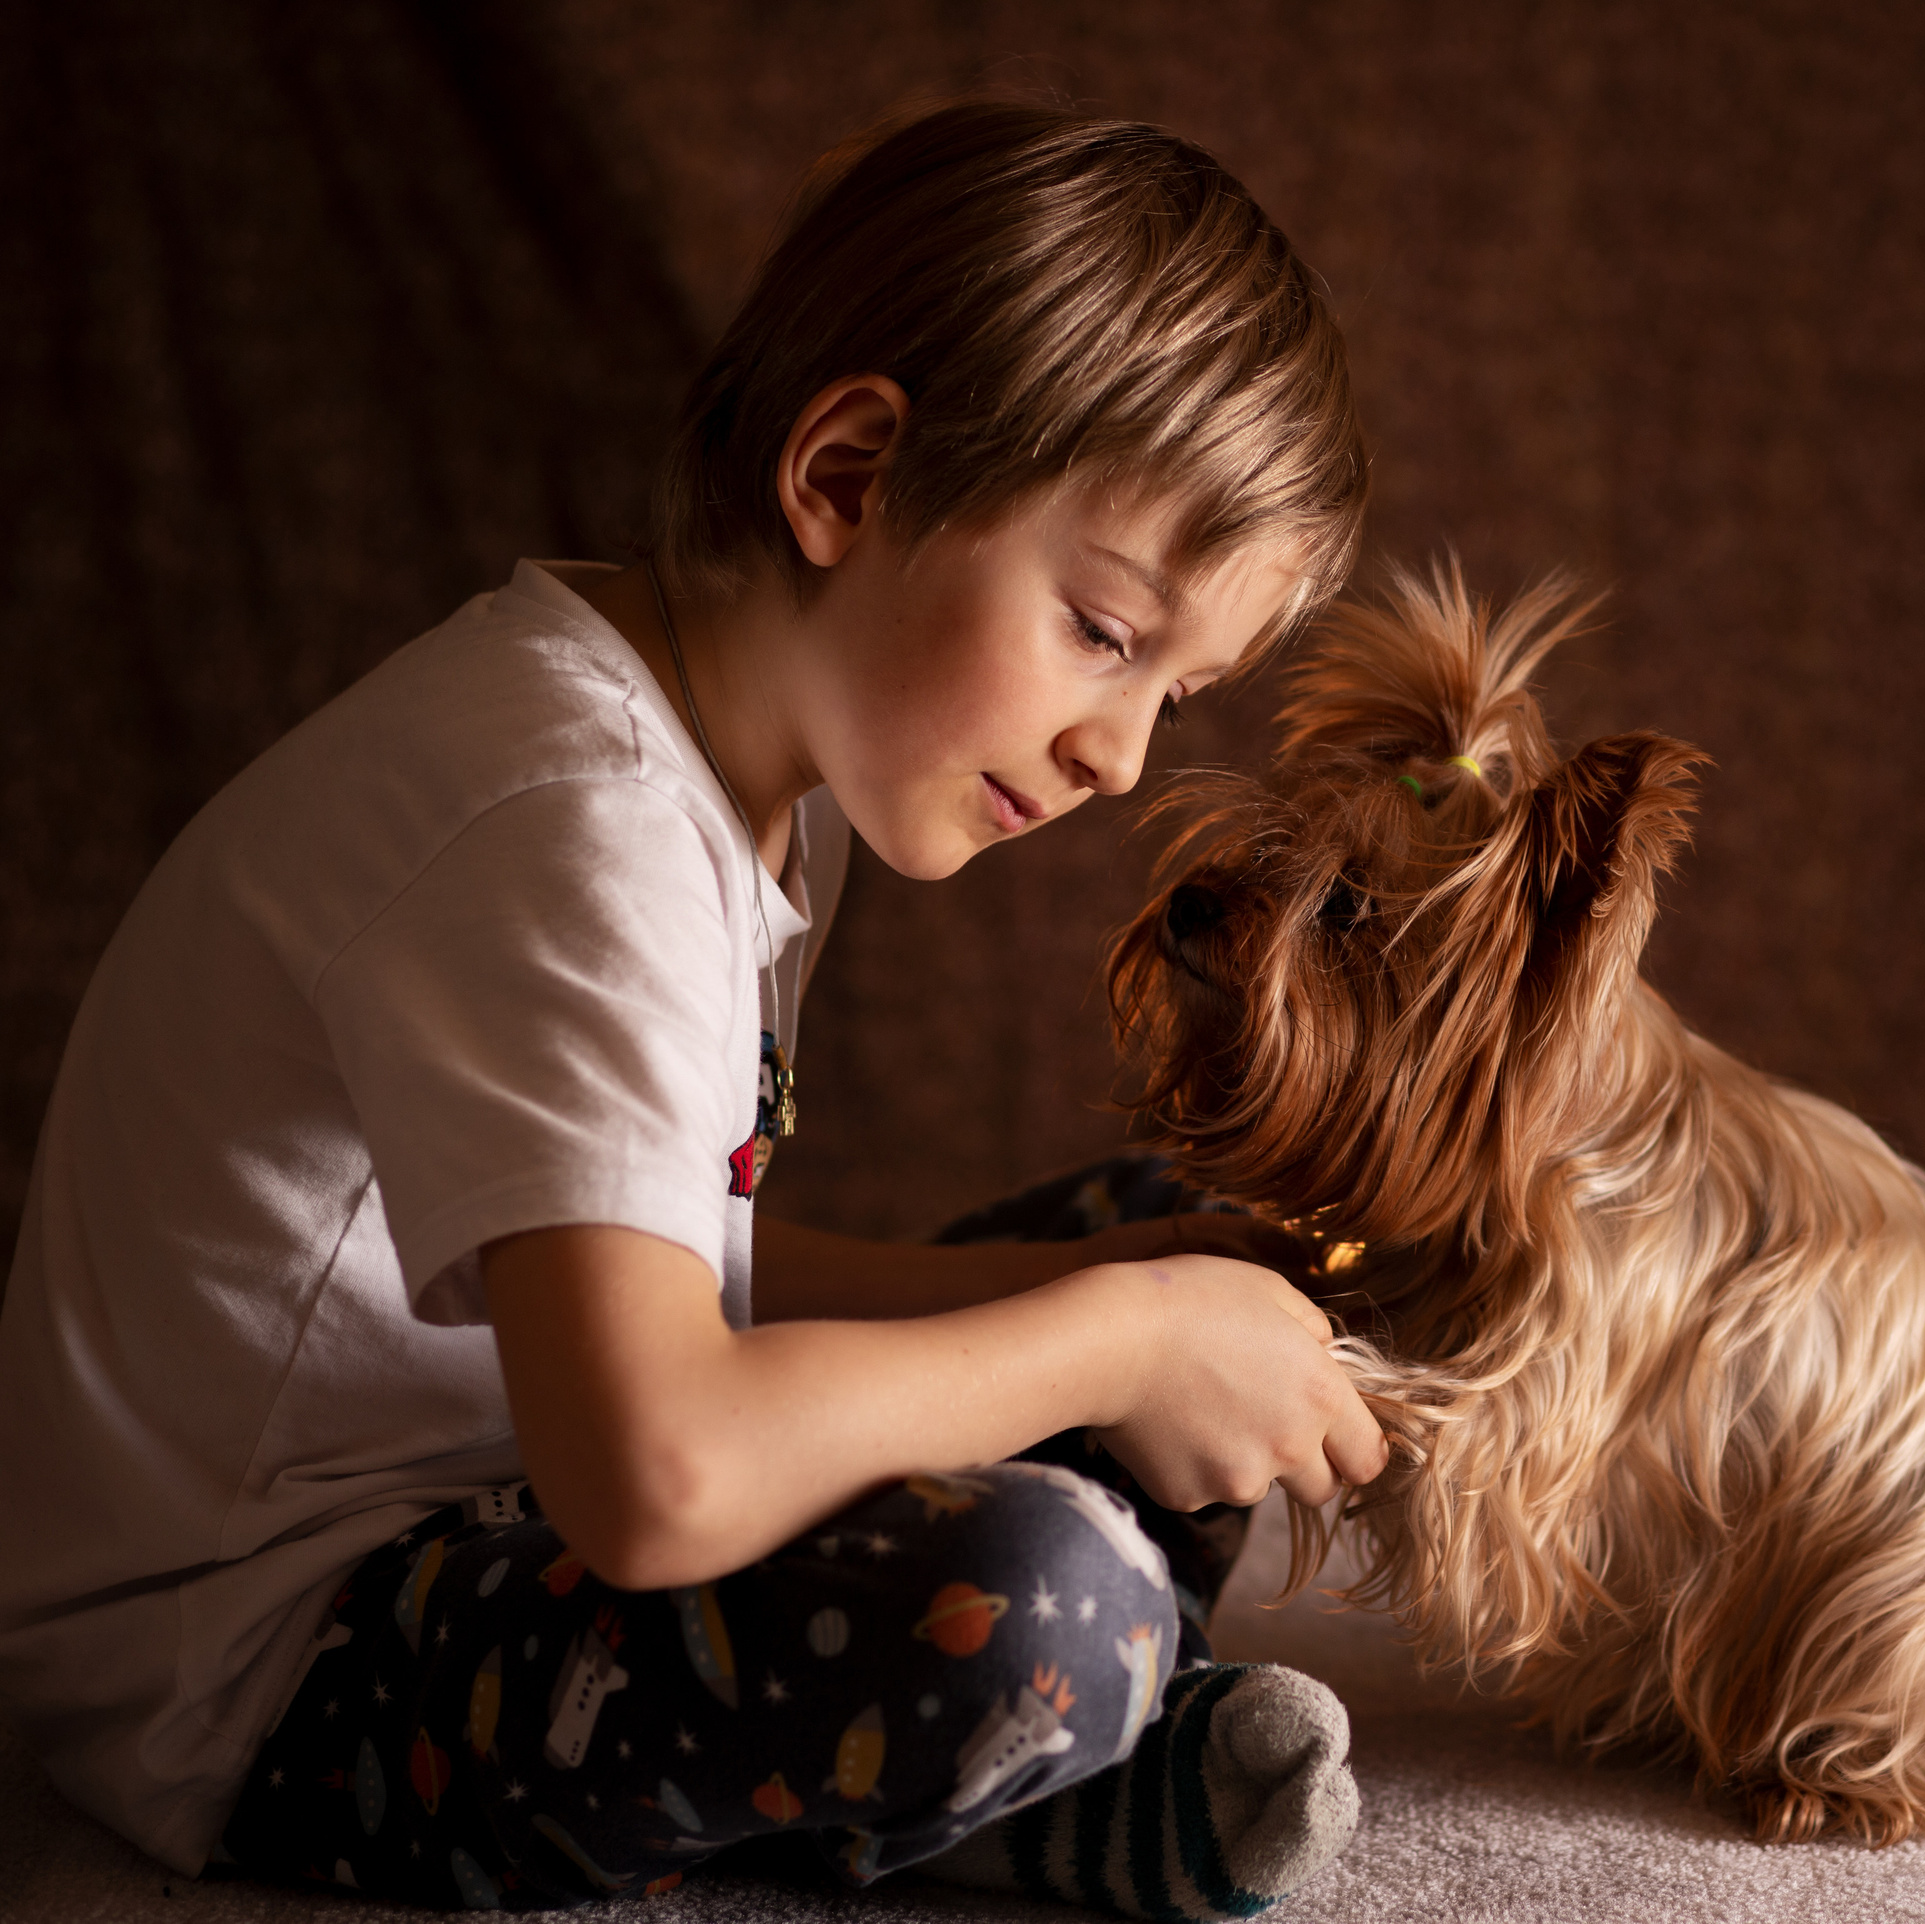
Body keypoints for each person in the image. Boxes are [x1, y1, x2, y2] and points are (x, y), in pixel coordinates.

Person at [0, 100, 1384, 1919]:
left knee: (1166, 1245)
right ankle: (1037, 1764)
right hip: (258, 1667)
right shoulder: (574, 823)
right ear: (848, 479)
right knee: (1058, 1581)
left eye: (1175, 692)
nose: (1122, 756)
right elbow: (656, 1477)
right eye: (1106, 634)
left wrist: (1143, 1297)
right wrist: (1118, 1350)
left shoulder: (724, 782)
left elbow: (684, 1273)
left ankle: (1006, 1741)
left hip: (509, 1496)